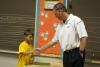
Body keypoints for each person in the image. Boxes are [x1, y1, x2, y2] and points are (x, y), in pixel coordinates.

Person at [35, 3, 88, 67]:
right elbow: (53, 41)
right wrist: (41, 49)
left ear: (60, 11)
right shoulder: (60, 25)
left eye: (55, 14)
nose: (55, 16)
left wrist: (81, 51)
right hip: (66, 55)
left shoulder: (76, 20)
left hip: (76, 53)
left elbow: (84, 37)